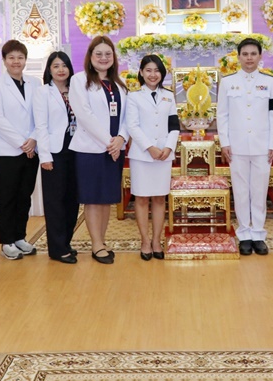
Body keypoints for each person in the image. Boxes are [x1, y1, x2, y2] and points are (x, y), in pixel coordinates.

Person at [69, 35, 129, 264]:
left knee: (106, 199)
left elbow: (128, 116)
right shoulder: (79, 80)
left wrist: (121, 138)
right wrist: (109, 142)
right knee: (93, 199)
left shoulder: (119, 84)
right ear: (90, 56)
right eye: (99, 54)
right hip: (90, 149)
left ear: (114, 57)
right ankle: (96, 245)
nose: (104, 58)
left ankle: (101, 241)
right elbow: (84, 115)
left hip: (115, 149)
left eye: (108, 54)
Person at [218, 37, 273, 256]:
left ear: (260, 56)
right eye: (245, 54)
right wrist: (224, 142)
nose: (249, 58)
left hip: (262, 145)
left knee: (259, 190)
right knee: (241, 190)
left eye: (253, 54)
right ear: (238, 57)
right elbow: (222, 115)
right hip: (236, 146)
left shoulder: (270, 82)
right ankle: (244, 234)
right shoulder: (228, 82)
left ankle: (258, 234)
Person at [0, 39, 41, 261]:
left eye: (20, 57)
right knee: (7, 197)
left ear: (25, 60)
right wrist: (22, 142)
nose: (16, 61)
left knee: (24, 196)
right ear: (4, 60)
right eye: (11, 58)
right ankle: (7, 241)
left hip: (32, 150)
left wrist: (33, 138)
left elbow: (42, 114)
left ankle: (20, 236)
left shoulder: (35, 83)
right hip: (8, 151)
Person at [125, 54, 180, 260]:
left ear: (162, 74)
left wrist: (168, 147)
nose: (153, 74)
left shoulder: (169, 96)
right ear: (141, 72)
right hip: (142, 156)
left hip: (164, 155)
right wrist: (150, 147)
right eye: (148, 70)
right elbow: (132, 126)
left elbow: (174, 125)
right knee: (141, 198)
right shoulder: (134, 96)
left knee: (159, 198)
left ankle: (157, 240)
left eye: (157, 70)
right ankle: (145, 241)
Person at [33, 51, 79, 264]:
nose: (61, 70)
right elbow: (41, 126)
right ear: (49, 70)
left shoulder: (77, 90)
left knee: (72, 200)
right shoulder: (43, 92)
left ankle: (66, 243)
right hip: (54, 152)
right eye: (56, 66)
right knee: (55, 201)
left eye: (64, 65)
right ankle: (57, 248)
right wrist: (45, 156)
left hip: (77, 149)